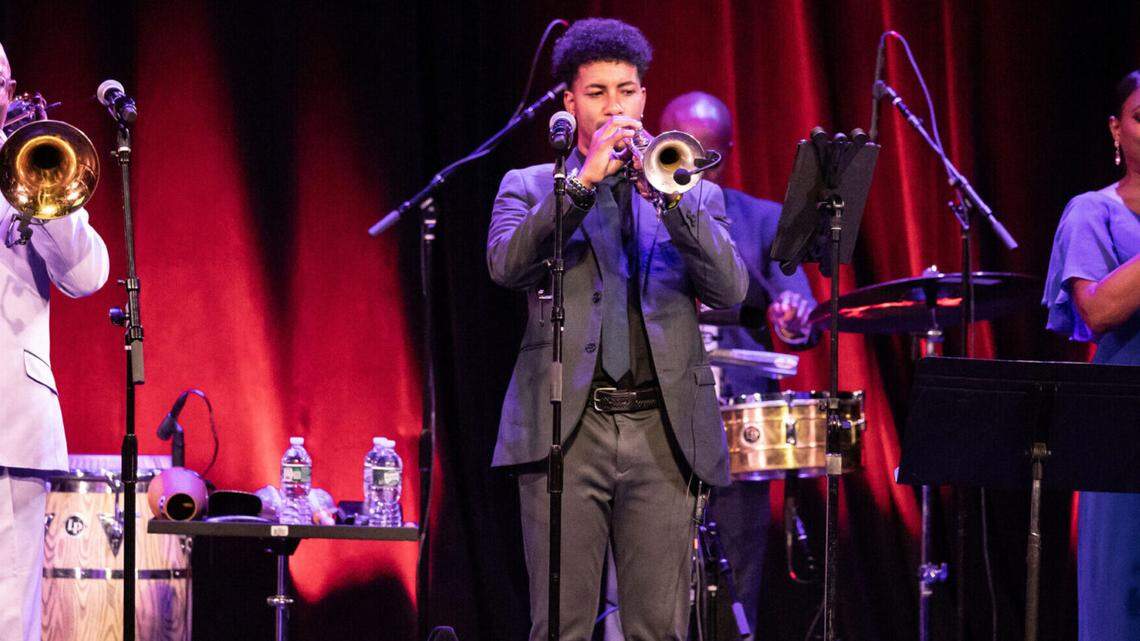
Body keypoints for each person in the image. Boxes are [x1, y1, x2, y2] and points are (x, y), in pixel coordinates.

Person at [486, 18, 748, 641]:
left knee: (659, 629)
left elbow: (731, 290)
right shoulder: (528, 186)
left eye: (626, 91)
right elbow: (507, 266)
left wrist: (672, 196)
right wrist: (580, 184)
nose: (615, 106)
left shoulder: (692, 190)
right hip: (566, 433)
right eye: (598, 93)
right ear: (570, 103)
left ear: (644, 97)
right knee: (562, 628)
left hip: (663, 431)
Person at [0, 42, 110, 641]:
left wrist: (45, 190)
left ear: (11, 93)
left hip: (10, 423)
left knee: (8, 617)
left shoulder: (30, 166)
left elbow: (86, 276)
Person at [1043, 69, 1140, 641]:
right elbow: (1099, 310)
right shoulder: (1091, 212)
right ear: (1115, 129)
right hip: (1121, 429)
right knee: (1122, 603)